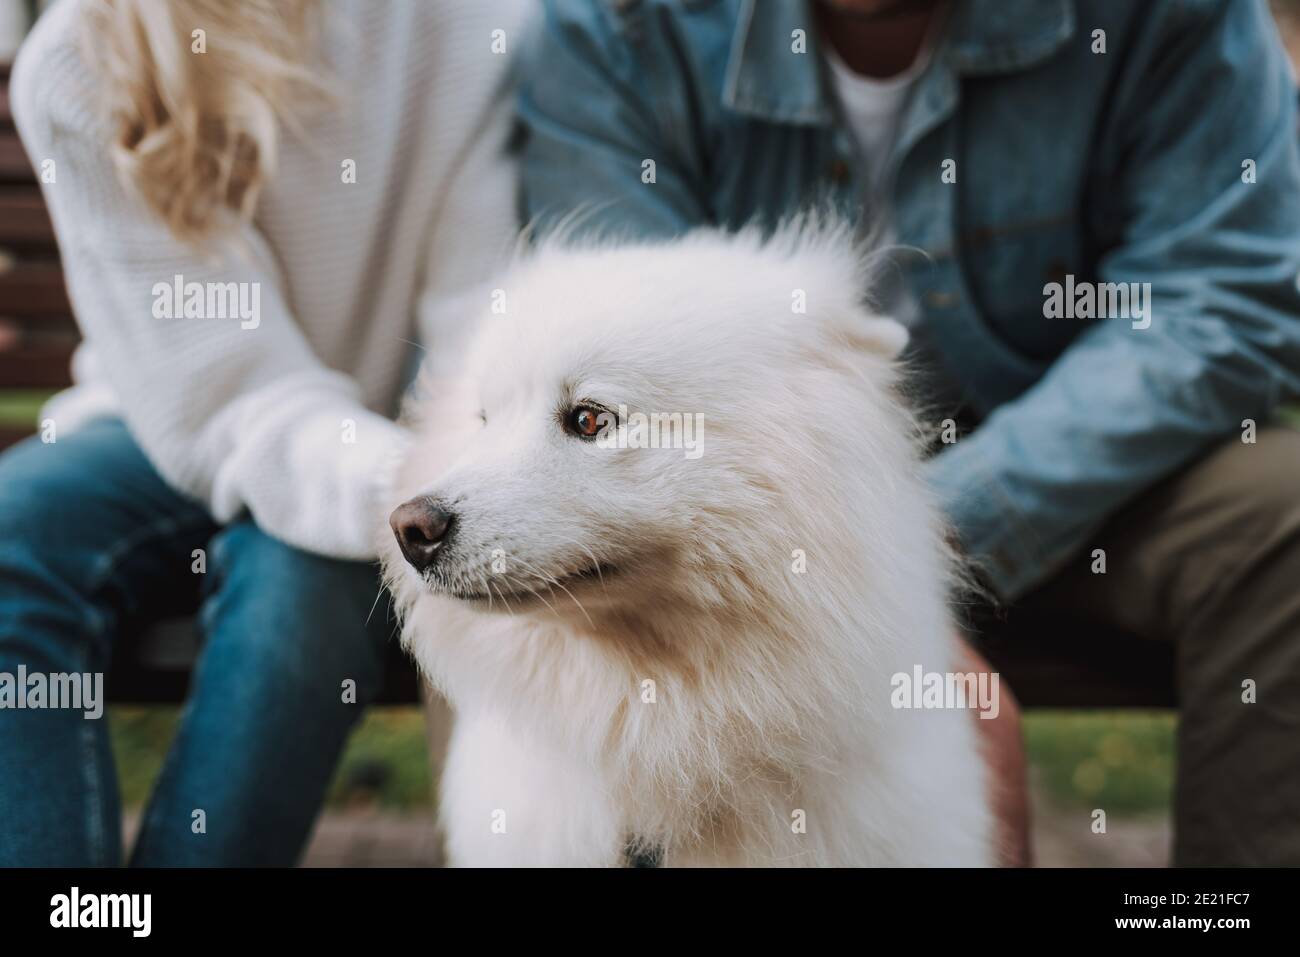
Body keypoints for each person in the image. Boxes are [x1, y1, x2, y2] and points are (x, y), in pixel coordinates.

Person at [516, 0, 1300, 865]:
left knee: (1285, 512)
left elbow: (1219, 292)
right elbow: (618, 383)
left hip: (1088, 491)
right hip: (763, 541)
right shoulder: (616, 27)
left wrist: (910, 574)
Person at [0, 0, 524, 865]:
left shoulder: (474, 23)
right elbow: (228, 394)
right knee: (12, 537)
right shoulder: (78, 57)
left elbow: (479, 331)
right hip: (168, 414)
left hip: (392, 440)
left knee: (303, 597)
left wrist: (446, 481)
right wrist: (406, 486)